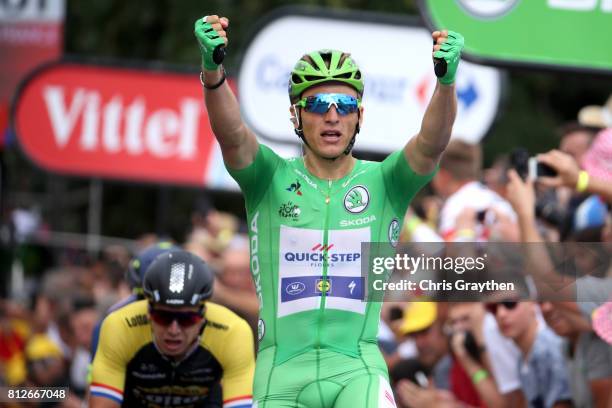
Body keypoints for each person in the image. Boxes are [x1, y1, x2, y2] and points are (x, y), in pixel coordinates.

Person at [195, 14, 463, 407]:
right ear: (296, 116)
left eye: (344, 104)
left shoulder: (386, 180)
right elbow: (232, 136)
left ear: (360, 115)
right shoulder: (268, 176)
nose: (332, 115)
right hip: (281, 372)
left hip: (358, 367)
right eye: (318, 104)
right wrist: (212, 70)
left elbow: (431, 144)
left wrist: (445, 83)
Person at [89, 250, 255, 407]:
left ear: (203, 316)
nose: (174, 330)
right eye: (163, 317)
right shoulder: (121, 325)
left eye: (187, 319)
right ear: (148, 312)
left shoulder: (232, 331)